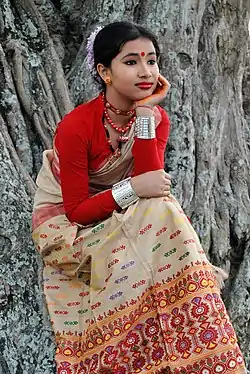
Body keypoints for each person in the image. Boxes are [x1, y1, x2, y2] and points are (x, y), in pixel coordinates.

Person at [32, 21, 246, 374]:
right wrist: (132, 189)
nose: (146, 72)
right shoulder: (76, 126)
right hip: (67, 230)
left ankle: (202, 347)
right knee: (159, 210)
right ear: (104, 72)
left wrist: (146, 116)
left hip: (125, 216)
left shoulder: (155, 119)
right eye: (131, 62)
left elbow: (151, 182)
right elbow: (76, 212)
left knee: (160, 207)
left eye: (152, 61)